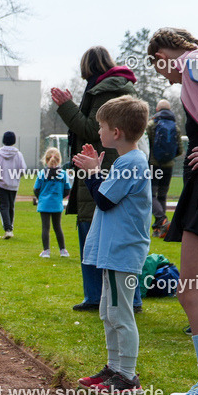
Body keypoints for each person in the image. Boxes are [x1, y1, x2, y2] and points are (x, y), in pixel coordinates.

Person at [147, 27, 198, 395]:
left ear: (165, 51)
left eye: (159, 64)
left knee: (191, 291)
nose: (163, 75)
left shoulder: (194, 61)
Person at [72, 96, 151, 393]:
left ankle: (127, 376)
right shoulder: (127, 161)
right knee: (108, 310)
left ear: (115, 132)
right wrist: (98, 172)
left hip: (123, 252)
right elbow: (111, 192)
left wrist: (93, 173)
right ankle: (113, 369)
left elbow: (104, 200)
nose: (99, 132)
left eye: (102, 127)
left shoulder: (131, 162)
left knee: (120, 313)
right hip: (114, 251)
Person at [52, 47, 137, 312]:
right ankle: (118, 298)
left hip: (102, 165)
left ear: (89, 67)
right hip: (104, 164)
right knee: (106, 232)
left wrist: (66, 107)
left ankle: (100, 297)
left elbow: (90, 129)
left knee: (92, 230)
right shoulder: (114, 87)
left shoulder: (105, 91)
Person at [146, 99, 182, 237]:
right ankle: (159, 228)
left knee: (151, 195)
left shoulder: (152, 125)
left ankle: (162, 220)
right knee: (162, 195)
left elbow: (146, 145)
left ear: (157, 110)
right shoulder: (175, 127)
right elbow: (179, 149)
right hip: (169, 166)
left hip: (154, 165)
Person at [33, 147, 71, 258]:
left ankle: (46, 251)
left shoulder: (41, 173)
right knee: (57, 227)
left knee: (45, 227)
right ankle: (63, 250)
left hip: (44, 204)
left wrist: (41, 198)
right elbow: (67, 189)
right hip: (56, 203)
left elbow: (36, 189)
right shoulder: (63, 174)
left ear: (45, 159)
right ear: (59, 160)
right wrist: (59, 197)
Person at [0, 131, 27, 239]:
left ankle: (7, 229)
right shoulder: (18, 154)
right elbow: (23, 169)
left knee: (3, 206)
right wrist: (17, 177)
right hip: (14, 185)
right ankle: (10, 228)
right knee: (11, 206)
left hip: (2, 184)